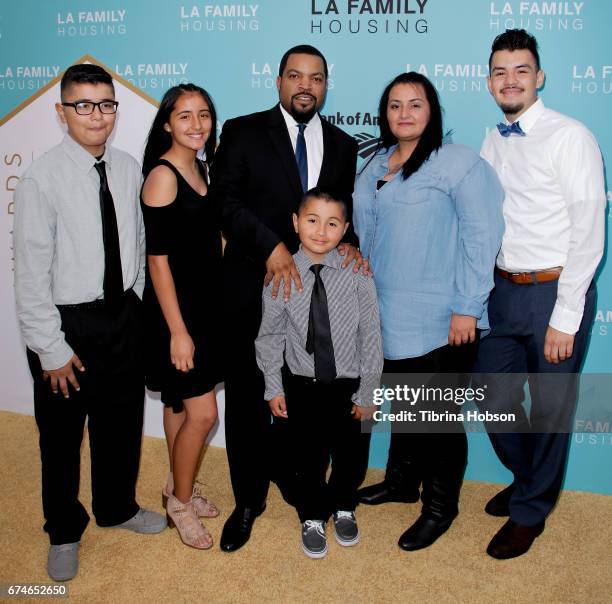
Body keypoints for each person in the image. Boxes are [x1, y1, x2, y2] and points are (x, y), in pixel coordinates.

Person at [13, 64, 166, 583]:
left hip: (123, 316)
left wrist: (136, 304)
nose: (96, 115)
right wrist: (50, 349)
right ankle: (62, 529)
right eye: (83, 105)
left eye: (105, 105)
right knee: (60, 437)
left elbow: (139, 246)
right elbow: (30, 272)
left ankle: (117, 507)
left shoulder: (126, 168)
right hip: (67, 325)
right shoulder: (40, 178)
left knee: (120, 424)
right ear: (62, 112)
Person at [211, 44, 363, 553]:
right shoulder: (242, 130)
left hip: (316, 301)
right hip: (251, 289)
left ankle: (305, 493)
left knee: (308, 405)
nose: (305, 85)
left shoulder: (343, 144)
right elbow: (223, 202)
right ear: (278, 81)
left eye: (315, 78)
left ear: (325, 85)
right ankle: (247, 500)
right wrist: (272, 245)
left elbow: (341, 216)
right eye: (295, 76)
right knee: (251, 401)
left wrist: (355, 252)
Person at [352, 72, 504, 551]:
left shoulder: (456, 162)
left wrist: (467, 307)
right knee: (404, 406)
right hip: (384, 313)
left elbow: (483, 238)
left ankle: (440, 507)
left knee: (435, 418)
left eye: (415, 104)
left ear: (432, 110)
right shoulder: (375, 161)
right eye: (395, 105)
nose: (404, 113)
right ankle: (400, 483)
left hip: (440, 317)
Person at [474, 29, 605, 559]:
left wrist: (567, 313)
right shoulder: (489, 139)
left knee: (550, 410)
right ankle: (530, 477)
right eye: (501, 71)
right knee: (491, 395)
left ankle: (530, 511)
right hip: (502, 291)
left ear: (539, 77)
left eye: (521, 70)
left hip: (555, 292)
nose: (510, 80)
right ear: (489, 81)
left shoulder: (570, 136)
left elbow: (589, 228)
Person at [255, 188, 383, 559]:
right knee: (307, 458)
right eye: (312, 220)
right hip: (303, 384)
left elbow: (371, 336)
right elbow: (270, 338)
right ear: (296, 223)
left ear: (345, 229)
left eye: (332, 223)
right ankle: (311, 514)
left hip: (352, 384)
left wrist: (369, 392)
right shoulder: (280, 275)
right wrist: (273, 387)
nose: (321, 231)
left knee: (351, 454)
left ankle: (344, 506)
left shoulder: (358, 274)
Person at [141, 84, 223, 549]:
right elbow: (158, 261)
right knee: (203, 413)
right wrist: (177, 332)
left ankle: (177, 484)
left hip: (206, 308)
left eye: (204, 115)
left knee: (178, 406)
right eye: (185, 116)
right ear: (167, 123)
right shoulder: (164, 175)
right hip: (177, 315)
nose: (196, 125)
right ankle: (181, 504)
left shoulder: (202, 167)